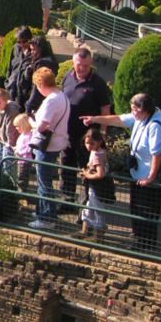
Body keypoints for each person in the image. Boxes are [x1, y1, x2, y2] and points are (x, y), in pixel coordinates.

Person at [81, 93, 161, 251]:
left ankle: (146, 245)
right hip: (138, 173)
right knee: (136, 208)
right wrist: (95, 119)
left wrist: (151, 177)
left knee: (147, 211)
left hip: (149, 177)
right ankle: (138, 237)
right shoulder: (140, 117)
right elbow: (118, 119)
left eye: (135, 109)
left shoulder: (155, 126)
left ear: (144, 110)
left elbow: (158, 153)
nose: (132, 112)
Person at [60, 47, 111, 207]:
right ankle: (67, 200)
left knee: (86, 169)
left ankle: (84, 206)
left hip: (88, 138)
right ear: (73, 62)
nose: (81, 68)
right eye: (78, 64)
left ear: (91, 64)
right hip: (67, 134)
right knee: (66, 167)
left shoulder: (98, 83)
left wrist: (102, 133)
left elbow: (105, 110)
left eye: (85, 65)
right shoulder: (67, 77)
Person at [28, 67, 69, 229]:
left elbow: (41, 126)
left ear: (40, 84)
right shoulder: (62, 96)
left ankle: (46, 219)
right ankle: (44, 211)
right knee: (45, 180)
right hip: (56, 144)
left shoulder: (52, 99)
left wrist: (30, 121)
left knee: (44, 182)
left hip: (46, 146)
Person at [79, 128, 109, 241]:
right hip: (94, 187)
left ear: (99, 142)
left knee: (97, 209)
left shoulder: (97, 155)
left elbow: (100, 174)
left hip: (97, 187)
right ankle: (85, 231)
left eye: (92, 143)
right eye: (87, 143)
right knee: (88, 207)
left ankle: (97, 235)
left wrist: (87, 175)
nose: (89, 146)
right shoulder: (97, 151)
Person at [22, 36, 58, 115]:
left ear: (41, 49)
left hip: (39, 102)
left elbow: (38, 86)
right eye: (31, 49)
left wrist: (29, 105)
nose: (32, 52)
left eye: (34, 49)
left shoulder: (43, 63)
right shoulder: (49, 58)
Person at [4, 26, 33, 113]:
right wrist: (7, 81)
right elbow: (9, 67)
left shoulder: (34, 53)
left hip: (23, 94)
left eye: (24, 41)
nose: (21, 44)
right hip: (11, 90)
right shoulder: (15, 48)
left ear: (29, 39)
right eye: (18, 42)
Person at [0, 88, 19, 158]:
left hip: (11, 141)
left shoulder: (11, 111)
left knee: (7, 159)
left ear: (6, 101)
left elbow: (10, 128)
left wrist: (9, 142)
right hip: (2, 139)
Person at [13, 113, 34, 197]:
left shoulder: (29, 136)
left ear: (24, 125)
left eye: (18, 126)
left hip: (25, 161)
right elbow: (21, 145)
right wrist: (16, 148)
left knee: (22, 177)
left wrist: (19, 152)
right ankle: (20, 191)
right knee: (20, 175)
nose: (16, 128)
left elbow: (29, 148)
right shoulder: (23, 134)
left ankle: (21, 193)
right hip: (20, 160)